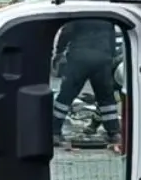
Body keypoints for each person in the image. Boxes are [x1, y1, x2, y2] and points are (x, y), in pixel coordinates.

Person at [51, 19, 122, 150]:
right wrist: (110, 57)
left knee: (65, 96)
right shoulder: (105, 15)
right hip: (102, 59)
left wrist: (59, 53)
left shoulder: (79, 13)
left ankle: (54, 132)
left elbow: (66, 32)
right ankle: (114, 133)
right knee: (106, 98)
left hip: (79, 58)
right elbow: (111, 38)